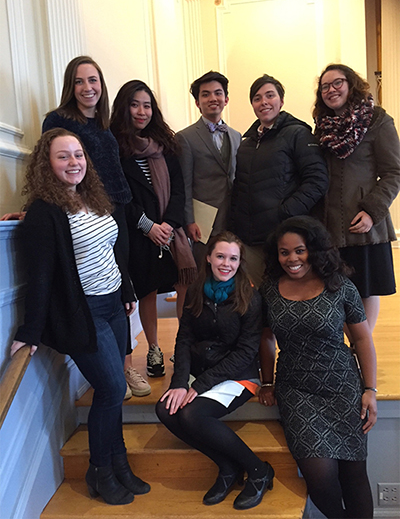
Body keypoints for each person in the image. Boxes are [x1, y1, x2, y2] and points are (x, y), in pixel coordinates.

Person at [10, 128, 150, 505]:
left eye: (78, 155)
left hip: (114, 304)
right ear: (47, 163)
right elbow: (40, 276)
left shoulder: (94, 196)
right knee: (110, 388)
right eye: (63, 156)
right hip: (84, 312)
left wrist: (126, 291)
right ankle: (99, 470)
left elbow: (114, 251)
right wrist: (30, 330)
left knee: (114, 392)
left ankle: (120, 464)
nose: (74, 162)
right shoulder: (44, 211)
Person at [42, 56, 150, 397]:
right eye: (79, 81)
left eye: (94, 81)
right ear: (70, 86)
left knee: (122, 286)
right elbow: (49, 168)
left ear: (102, 86)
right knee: (97, 288)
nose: (88, 88)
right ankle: (115, 372)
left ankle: (127, 368)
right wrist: (34, 210)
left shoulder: (104, 126)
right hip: (83, 213)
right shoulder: (58, 120)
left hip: (115, 209)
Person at [259, 216, 377, 519]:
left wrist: (370, 390)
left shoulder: (339, 285)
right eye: (284, 252)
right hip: (297, 391)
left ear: (315, 249)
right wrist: (268, 382)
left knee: (354, 475)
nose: (292, 259)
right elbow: (266, 339)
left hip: (342, 385)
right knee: (320, 478)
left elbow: (362, 339)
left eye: (299, 250)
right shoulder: (269, 290)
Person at [156, 231, 274, 510]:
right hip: (203, 370)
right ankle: (227, 466)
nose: (226, 264)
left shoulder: (250, 297)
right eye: (220, 256)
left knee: (193, 414)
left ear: (240, 262)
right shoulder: (196, 291)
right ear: (208, 258)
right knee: (166, 409)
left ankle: (258, 470)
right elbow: (184, 338)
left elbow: (246, 352)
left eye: (233, 258)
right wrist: (180, 382)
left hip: (239, 375)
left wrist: (199, 386)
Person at [110, 80, 197, 378]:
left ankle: (182, 345)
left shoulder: (166, 144)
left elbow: (179, 191)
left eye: (147, 105)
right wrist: (148, 227)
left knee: (183, 282)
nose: (141, 111)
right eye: (135, 104)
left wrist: (169, 225)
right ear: (124, 106)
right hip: (138, 233)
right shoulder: (116, 147)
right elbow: (120, 197)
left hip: (171, 231)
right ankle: (153, 348)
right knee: (147, 289)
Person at [313, 63, 400, 338]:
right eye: (324, 86)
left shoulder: (377, 121)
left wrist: (372, 211)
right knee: (335, 290)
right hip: (329, 227)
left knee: (366, 288)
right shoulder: (321, 128)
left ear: (351, 84)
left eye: (337, 82)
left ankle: (361, 350)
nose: (331, 90)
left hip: (364, 226)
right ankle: (342, 352)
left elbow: (394, 172)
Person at [231, 74, 328, 288]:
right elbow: (240, 188)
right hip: (252, 239)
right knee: (264, 295)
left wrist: (285, 213)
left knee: (292, 292)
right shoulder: (246, 144)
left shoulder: (298, 134)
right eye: (257, 98)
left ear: (281, 101)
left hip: (286, 236)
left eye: (270, 95)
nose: (263, 102)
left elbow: (317, 180)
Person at [175, 71, 241, 265]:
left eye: (218, 93)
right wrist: (189, 220)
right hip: (203, 221)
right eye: (205, 94)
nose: (213, 98)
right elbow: (184, 184)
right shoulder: (185, 138)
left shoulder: (236, 135)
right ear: (197, 102)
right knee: (204, 271)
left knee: (231, 270)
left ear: (226, 99)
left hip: (233, 216)